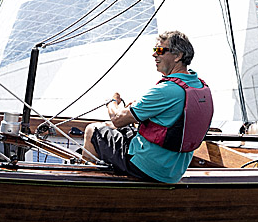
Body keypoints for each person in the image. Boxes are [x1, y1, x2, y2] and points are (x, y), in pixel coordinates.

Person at [82, 31, 213, 184]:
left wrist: (112, 102)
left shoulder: (167, 90)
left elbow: (118, 119)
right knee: (109, 127)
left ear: (178, 56)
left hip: (149, 167)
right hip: (175, 170)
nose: (154, 55)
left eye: (159, 50)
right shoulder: (199, 86)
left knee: (93, 131)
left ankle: (86, 185)